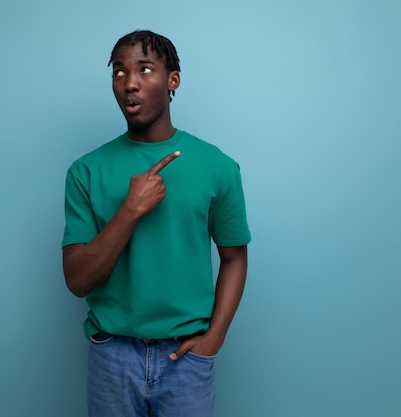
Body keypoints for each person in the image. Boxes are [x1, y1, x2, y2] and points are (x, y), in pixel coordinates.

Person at [62, 29, 250, 417]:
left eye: (145, 69)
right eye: (119, 72)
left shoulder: (217, 166)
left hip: (186, 359)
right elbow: (77, 280)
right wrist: (131, 209)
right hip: (112, 356)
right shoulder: (86, 171)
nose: (129, 82)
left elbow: (235, 258)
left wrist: (214, 338)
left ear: (172, 80)